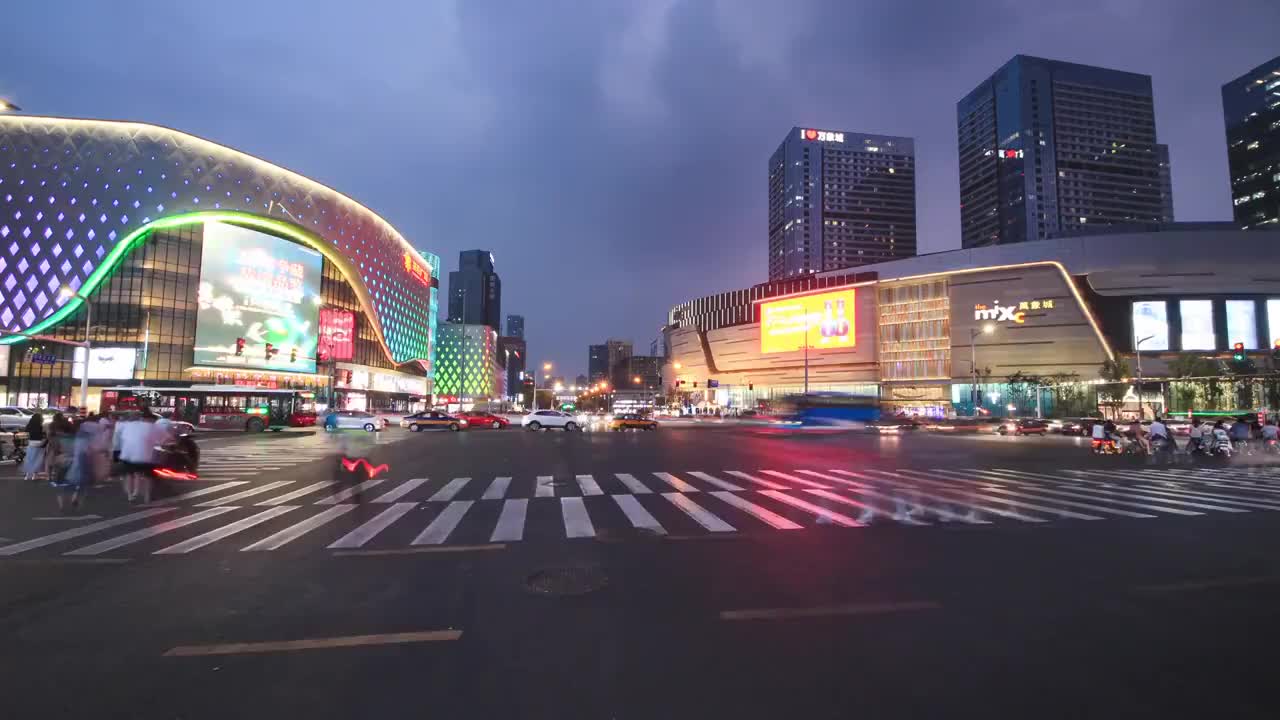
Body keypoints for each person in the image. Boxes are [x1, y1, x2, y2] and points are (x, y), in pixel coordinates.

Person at [57, 413, 104, 513]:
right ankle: (75, 498)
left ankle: (62, 505)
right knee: (82, 483)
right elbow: (91, 449)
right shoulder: (82, 438)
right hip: (79, 462)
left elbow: (56, 452)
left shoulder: (63, 439)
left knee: (64, 486)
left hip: (65, 463)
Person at [117, 408, 166, 504]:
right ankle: (147, 496)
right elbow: (165, 439)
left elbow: (122, 439)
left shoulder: (127, 426)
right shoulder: (153, 427)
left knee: (129, 475)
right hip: (146, 457)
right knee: (149, 476)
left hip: (128, 455)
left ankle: (130, 495)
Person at [44, 412, 75, 486]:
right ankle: (62, 476)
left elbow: (48, 434)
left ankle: (49, 476)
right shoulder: (66, 424)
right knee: (62, 460)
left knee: (49, 460)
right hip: (64, 444)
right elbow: (72, 433)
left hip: (53, 443)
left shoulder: (52, 425)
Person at [22, 412, 47, 482]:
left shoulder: (29, 425)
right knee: (38, 459)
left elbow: (26, 433)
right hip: (39, 443)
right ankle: (35, 475)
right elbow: (44, 435)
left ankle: (27, 475)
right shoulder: (40, 426)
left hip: (31, 443)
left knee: (30, 458)